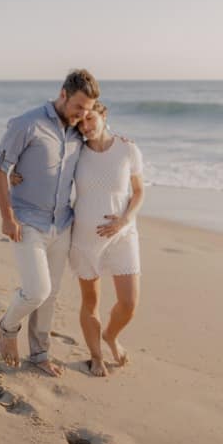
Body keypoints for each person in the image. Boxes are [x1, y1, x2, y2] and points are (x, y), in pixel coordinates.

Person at [0, 69, 99, 376]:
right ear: (63, 94)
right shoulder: (28, 123)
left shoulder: (78, 131)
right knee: (36, 290)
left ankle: (39, 354)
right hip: (27, 221)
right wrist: (6, 216)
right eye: (78, 106)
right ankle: (8, 328)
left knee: (50, 295)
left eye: (88, 110)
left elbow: (100, 140)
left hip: (62, 223)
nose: (82, 114)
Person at [66, 103, 144, 376]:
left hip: (123, 236)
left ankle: (110, 336)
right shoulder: (75, 152)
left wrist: (125, 220)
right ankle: (96, 356)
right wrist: (17, 176)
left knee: (129, 303)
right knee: (90, 302)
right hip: (86, 238)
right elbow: (48, 171)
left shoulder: (127, 149)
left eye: (90, 119)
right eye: (80, 123)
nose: (85, 127)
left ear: (103, 114)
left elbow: (138, 192)